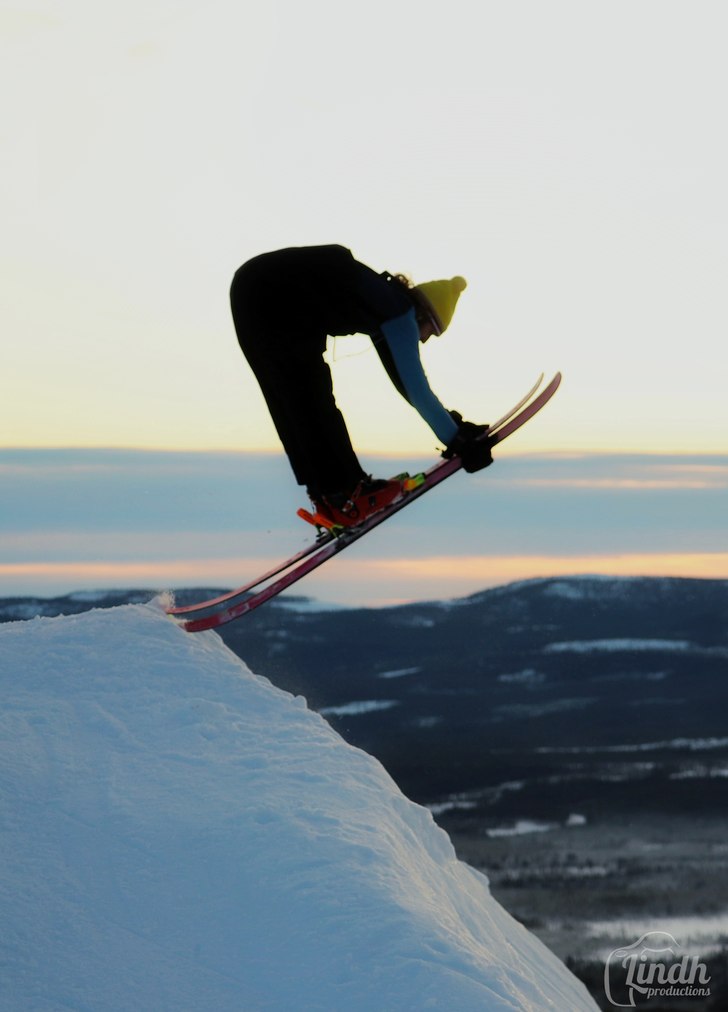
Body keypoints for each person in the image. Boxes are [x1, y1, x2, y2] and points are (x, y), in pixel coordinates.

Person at [230, 244, 492, 528]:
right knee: (311, 397)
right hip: (273, 297)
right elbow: (416, 388)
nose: (426, 340)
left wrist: (455, 428)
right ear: (424, 315)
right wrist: (458, 440)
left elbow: (405, 386)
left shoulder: (382, 301)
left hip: (253, 293)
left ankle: (329, 498)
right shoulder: (399, 312)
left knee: (292, 400)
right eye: (434, 331)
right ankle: (348, 495)